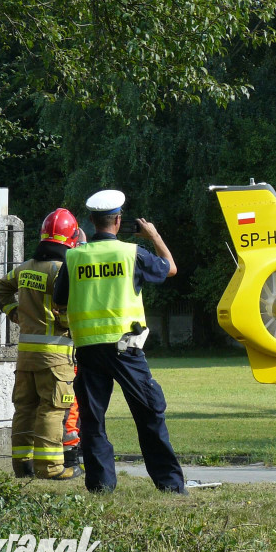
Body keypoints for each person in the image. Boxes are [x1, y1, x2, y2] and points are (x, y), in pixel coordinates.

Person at [52, 190, 186, 494]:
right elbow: (171, 268)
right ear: (118, 220)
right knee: (149, 414)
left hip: (88, 350)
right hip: (126, 350)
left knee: (92, 420)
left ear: (91, 220)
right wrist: (153, 235)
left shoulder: (74, 256)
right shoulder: (131, 253)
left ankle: (101, 487)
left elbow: (59, 302)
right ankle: (170, 486)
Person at [0, 208, 85, 480]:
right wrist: (68, 322)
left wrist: (15, 314)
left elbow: (0, 289)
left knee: (24, 409)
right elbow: (67, 312)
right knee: (52, 409)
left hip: (26, 356)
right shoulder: (62, 271)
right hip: (55, 357)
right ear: (70, 240)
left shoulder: (26, 267)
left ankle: (22, 466)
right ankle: (51, 469)